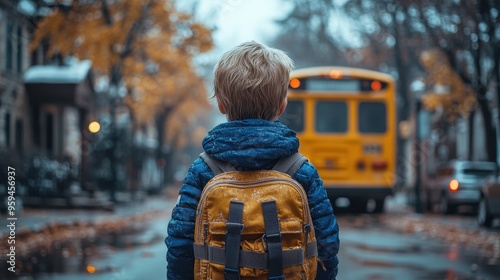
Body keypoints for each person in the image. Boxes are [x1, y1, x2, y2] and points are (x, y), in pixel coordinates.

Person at [165, 41, 340, 279]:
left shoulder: (203, 169)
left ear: (221, 104)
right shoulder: (301, 170)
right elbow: (327, 244)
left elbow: (180, 241)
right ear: (281, 106)